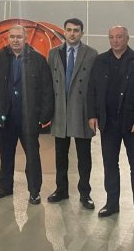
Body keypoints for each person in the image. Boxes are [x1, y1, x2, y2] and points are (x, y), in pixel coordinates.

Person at [87, 25, 134, 227]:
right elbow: (92, 89)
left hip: (132, 125)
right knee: (110, 165)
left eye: (119, 37)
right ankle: (112, 203)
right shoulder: (100, 61)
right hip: (108, 123)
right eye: (112, 37)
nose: (115, 40)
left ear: (127, 38)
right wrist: (92, 115)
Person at [0, 25, 54, 205]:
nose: (15, 40)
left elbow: (47, 90)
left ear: (25, 39)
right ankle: (5, 187)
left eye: (19, 37)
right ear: (8, 38)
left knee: (32, 157)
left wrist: (44, 117)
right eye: (12, 37)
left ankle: (34, 191)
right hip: (7, 117)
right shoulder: (1, 57)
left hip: (29, 119)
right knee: (6, 155)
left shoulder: (38, 60)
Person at [46, 18, 98, 209]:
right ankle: (61, 190)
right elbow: (48, 84)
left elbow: (94, 87)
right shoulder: (53, 53)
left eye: (76, 30)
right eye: (69, 30)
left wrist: (93, 114)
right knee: (60, 155)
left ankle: (85, 193)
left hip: (82, 111)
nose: (72, 33)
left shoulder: (91, 54)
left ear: (82, 33)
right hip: (60, 110)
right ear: (64, 32)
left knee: (84, 156)